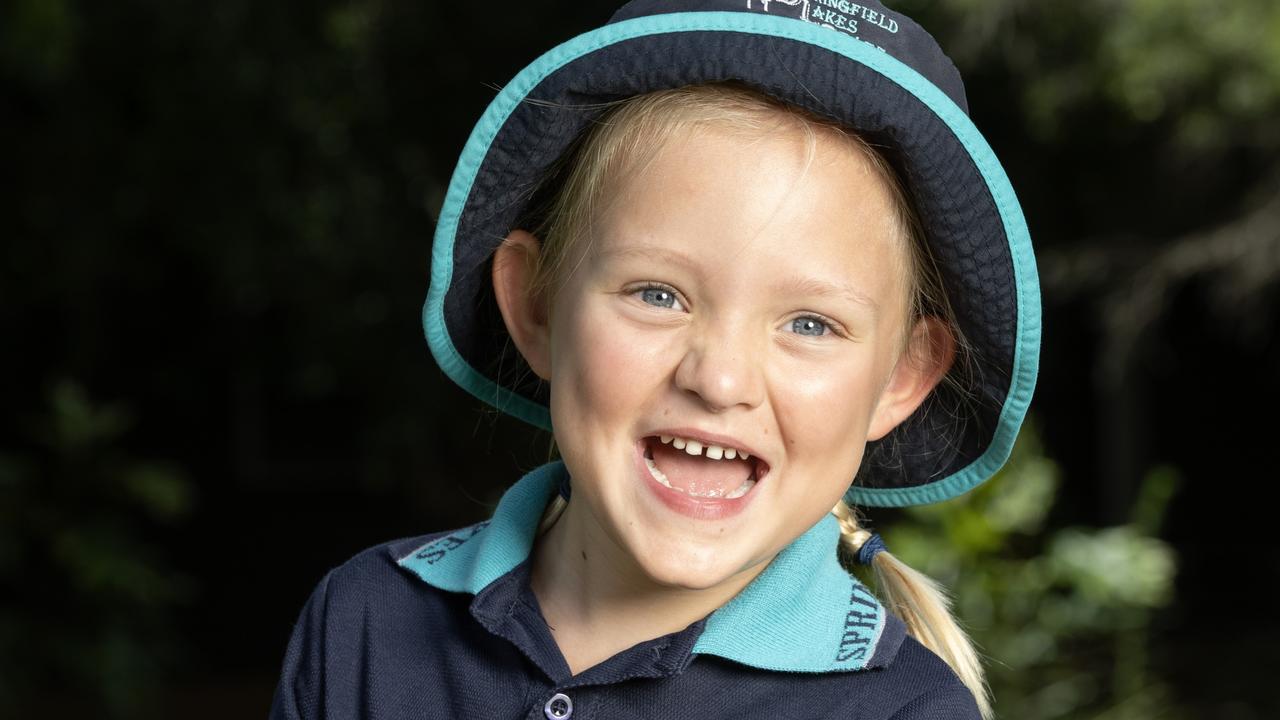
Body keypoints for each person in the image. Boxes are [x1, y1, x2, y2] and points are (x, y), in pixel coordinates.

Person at [269, 1, 1040, 718]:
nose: (719, 379)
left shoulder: (904, 712)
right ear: (537, 307)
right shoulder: (365, 621)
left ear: (900, 378)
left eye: (810, 322)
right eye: (658, 295)